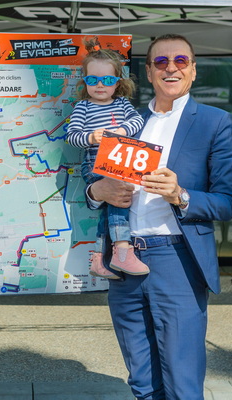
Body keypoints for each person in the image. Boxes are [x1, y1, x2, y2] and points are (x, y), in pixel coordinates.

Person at [84, 34, 232, 399]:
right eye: (161, 62)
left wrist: (180, 195)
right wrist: (97, 192)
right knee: (142, 383)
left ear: (193, 70)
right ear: (149, 72)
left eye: (181, 61)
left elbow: (227, 202)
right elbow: (92, 186)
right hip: (124, 261)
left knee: (182, 384)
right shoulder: (127, 121)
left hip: (177, 260)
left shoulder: (215, 122)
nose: (171, 68)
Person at [67, 42, 149, 279]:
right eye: (93, 80)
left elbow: (137, 121)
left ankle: (99, 258)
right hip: (95, 162)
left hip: (119, 161)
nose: (100, 85)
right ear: (85, 82)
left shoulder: (122, 104)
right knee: (118, 200)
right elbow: (72, 136)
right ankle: (122, 249)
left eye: (107, 80)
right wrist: (91, 137)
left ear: (118, 83)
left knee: (109, 208)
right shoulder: (83, 107)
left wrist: (122, 131)